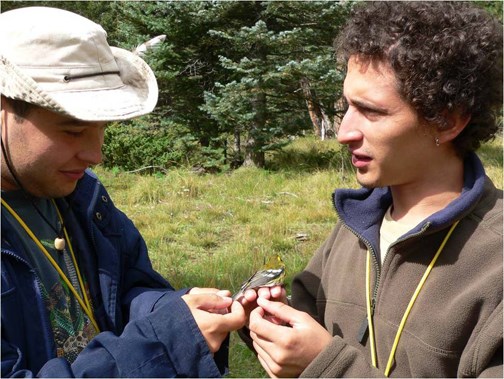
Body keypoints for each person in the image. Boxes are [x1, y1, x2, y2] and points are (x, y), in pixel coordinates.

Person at [239, 2, 503, 377]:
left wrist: (329, 366)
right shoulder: (358, 223)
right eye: (347, 106)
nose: (345, 132)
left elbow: (327, 360)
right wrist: (269, 326)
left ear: (447, 120)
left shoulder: (496, 263)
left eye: (372, 112)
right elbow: (313, 329)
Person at [0, 6, 246, 377]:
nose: (95, 155)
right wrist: (164, 343)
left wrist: (183, 311)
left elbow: (126, 289)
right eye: (72, 130)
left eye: (102, 128)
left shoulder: (82, 197)